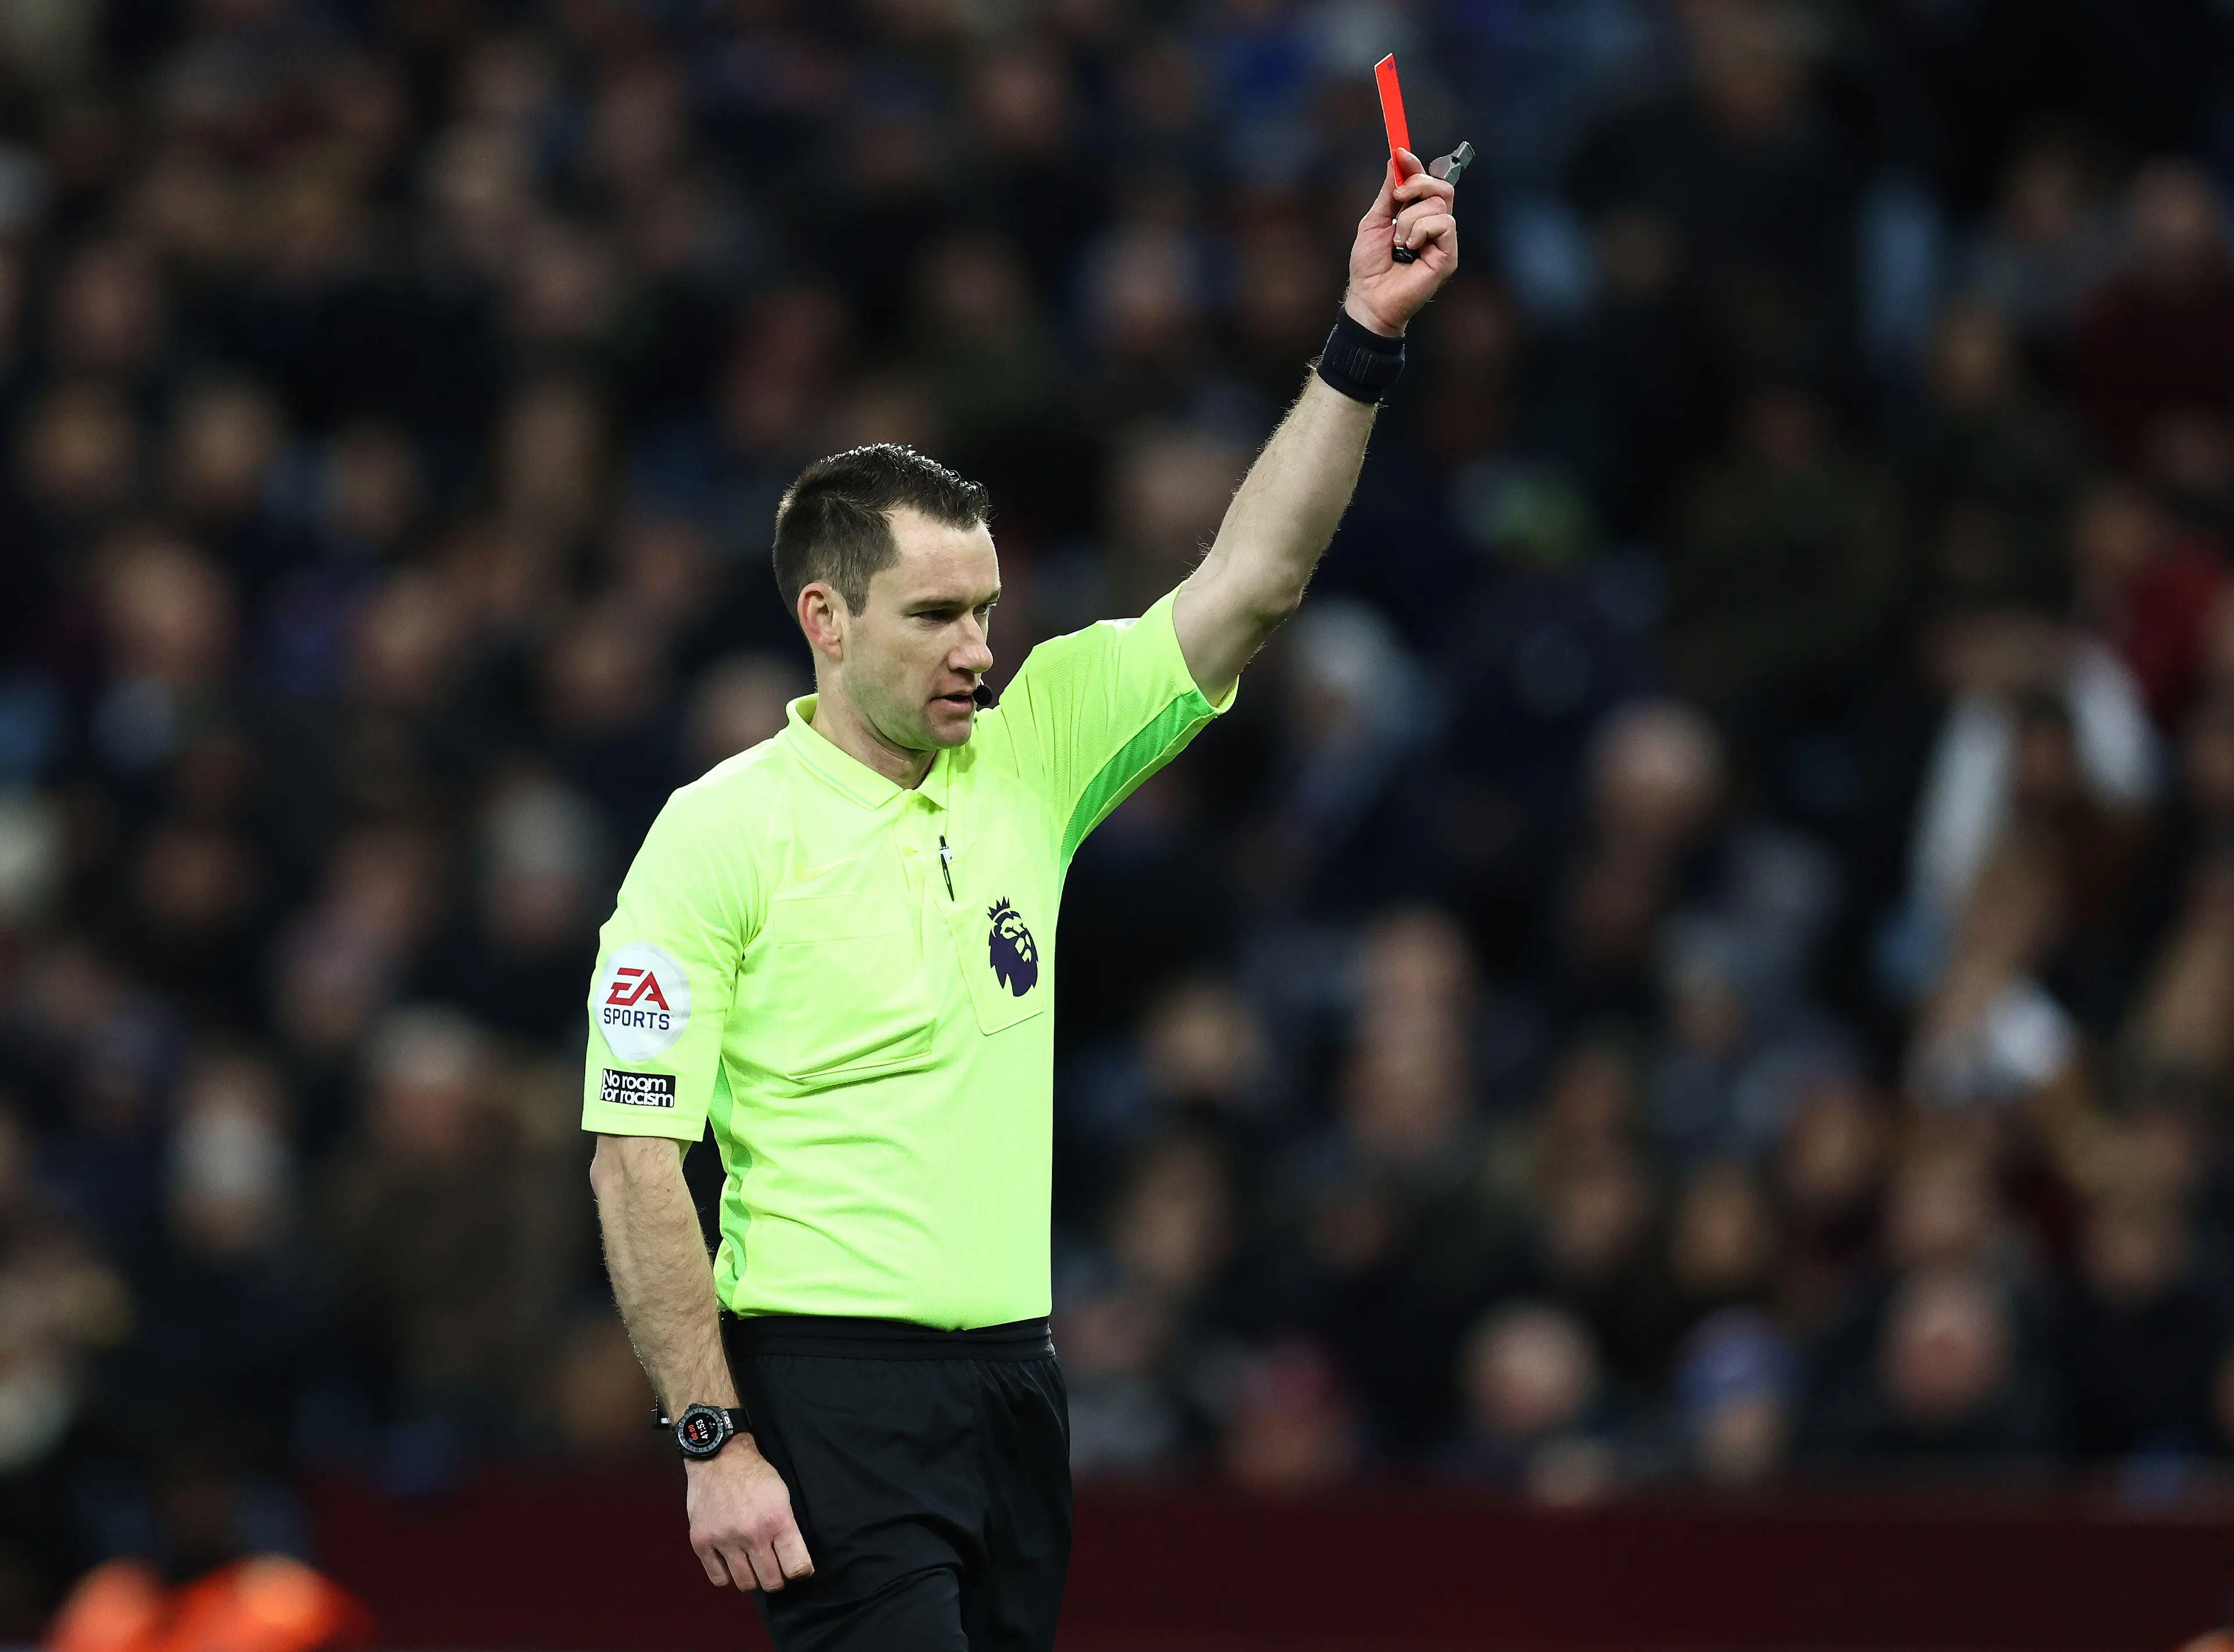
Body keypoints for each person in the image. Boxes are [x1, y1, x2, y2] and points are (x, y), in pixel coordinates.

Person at [581, 149, 1460, 1650]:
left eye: (988, 606)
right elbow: (634, 1158)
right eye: (935, 616)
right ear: (825, 621)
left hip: (1012, 1385)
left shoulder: (1033, 754)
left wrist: (1360, 341)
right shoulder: (718, 834)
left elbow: (1252, 577)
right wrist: (713, 1444)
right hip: (825, 1383)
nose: (978, 646)